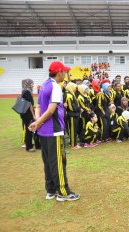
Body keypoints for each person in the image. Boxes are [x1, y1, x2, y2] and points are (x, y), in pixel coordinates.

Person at [28, 61, 80, 202]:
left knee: (48, 161)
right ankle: (63, 192)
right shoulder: (55, 87)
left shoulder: (44, 84)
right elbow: (51, 110)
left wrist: (37, 122)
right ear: (59, 72)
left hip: (44, 132)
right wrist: (38, 122)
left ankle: (50, 190)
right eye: (64, 71)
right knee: (58, 162)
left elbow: (38, 106)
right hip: (54, 131)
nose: (65, 74)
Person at [20, 79, 40, 152]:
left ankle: (34, 145)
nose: (33, 85)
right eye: (31, 84)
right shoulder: (27, 92)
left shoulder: (24, 91)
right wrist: (33, 115)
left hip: (25, 113)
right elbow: (29, 104)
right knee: (30, 129)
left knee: (30, 129)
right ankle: (29, 147)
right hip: (28, 114)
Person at [64, 82, 81, 150]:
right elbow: (71, 107)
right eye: (74, 88)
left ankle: (74, 143)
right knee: (72, 130)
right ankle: (73, 145)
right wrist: (79, 109)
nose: (75, 89)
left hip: (75, 115)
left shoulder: (72, 94)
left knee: (74, 130)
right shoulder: (69, 95)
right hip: (72, 115)